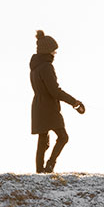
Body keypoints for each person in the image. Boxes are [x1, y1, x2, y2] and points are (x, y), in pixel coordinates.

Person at [29, 30, 84, 173]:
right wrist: (74, 102)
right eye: (54, 51)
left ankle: (40, 171)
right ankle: (50, 165)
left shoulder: (34, 68)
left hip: (37, 106)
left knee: (42, 141)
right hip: (48, 107)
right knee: (63, 137)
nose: (55, 54)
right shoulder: (46, 67)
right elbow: (55, 91)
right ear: (48, 51)